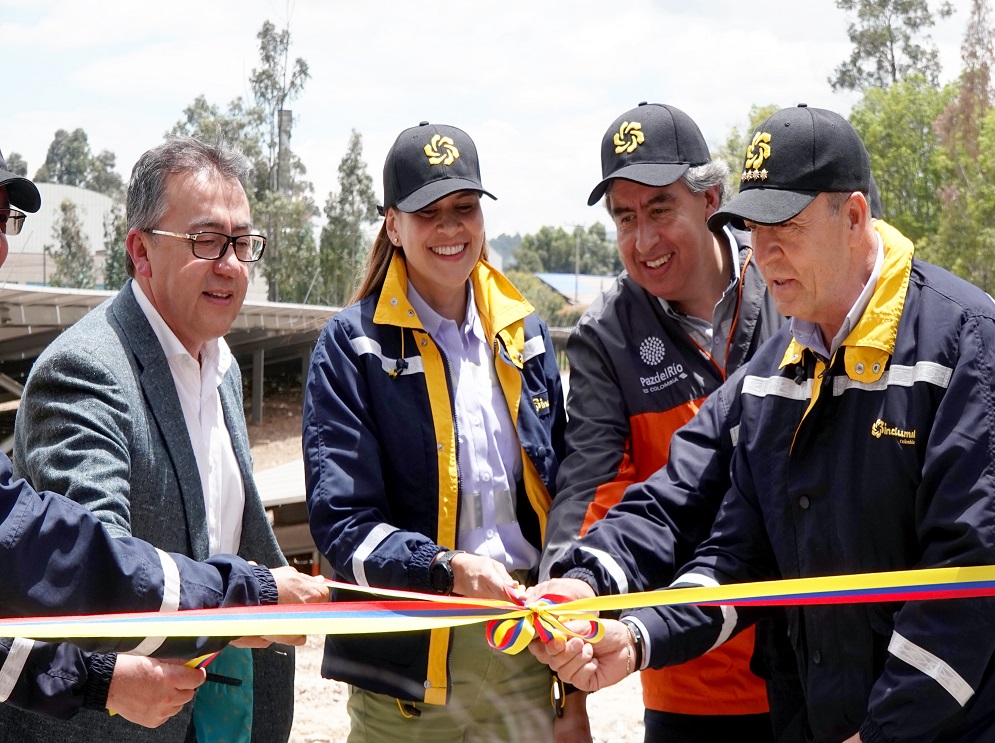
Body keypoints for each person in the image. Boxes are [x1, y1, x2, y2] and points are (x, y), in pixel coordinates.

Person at [534, 105, 995, 743]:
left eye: (783, 225)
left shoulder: (963, 340)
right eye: (751, 230)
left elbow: (975, 572)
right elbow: (733, 552)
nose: (763, 254)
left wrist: (881, 733)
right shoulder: (775, 373)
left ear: (852, 216)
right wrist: (629, 630)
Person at [6, 138, 306, 742]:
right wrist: (246, 594)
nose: (231, 264)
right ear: (140, 252)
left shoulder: (222, 368)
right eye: (205, 242)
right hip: (126, 721)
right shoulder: (86, 371)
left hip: (226, 712)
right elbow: (86, 564)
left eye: (242, 243)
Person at [303, 122, 573, 742]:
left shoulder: (524, 335)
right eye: (429, 212)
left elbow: (563, 493)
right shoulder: (352, 347)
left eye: (465, 208)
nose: (451, 229)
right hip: (407, 669)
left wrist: (573, 687)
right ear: (393, 225)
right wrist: (449, 570)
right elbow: (342, 526)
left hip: (523, 649)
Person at [538, 101, 782, 742]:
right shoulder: (607, 334)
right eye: (625, 217)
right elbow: (589, 494)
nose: (643, 241)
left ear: (711, 199)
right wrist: (567, 612)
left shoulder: (789, 282)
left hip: (811, 668)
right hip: (688, 677)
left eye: (659, 210)